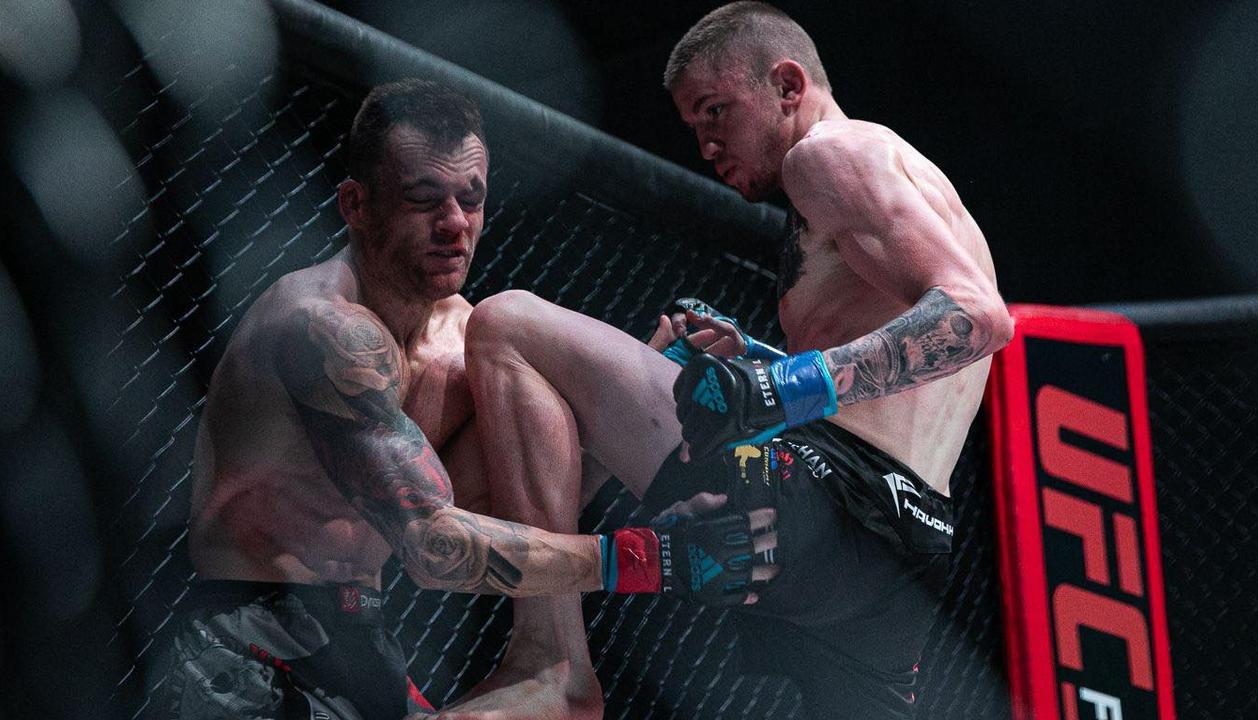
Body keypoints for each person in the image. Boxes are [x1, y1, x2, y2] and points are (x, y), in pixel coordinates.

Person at [447, 3, 1013, 718]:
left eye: (715, 112)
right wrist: (762, 358)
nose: (707, 145)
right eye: (694, 127)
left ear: (786, 84)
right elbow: (908, 366)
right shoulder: (916, 184)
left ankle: (550, 666)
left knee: (509, 324)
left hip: (829, 497)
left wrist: (778, 384)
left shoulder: (828, 154)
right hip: (913, 549)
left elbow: (977, 318)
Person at [163, 78, 775, 720]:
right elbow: (434, 547)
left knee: (518, 342)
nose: (454, 224)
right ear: (355, 205)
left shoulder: (469, 345)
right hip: (251, 642)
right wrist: (656, 559)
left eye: (471, 199)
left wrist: (659, 372)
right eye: (424, 199)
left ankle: (555, 663)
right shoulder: (320, 328)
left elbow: (524, 504)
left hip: (365, 639)